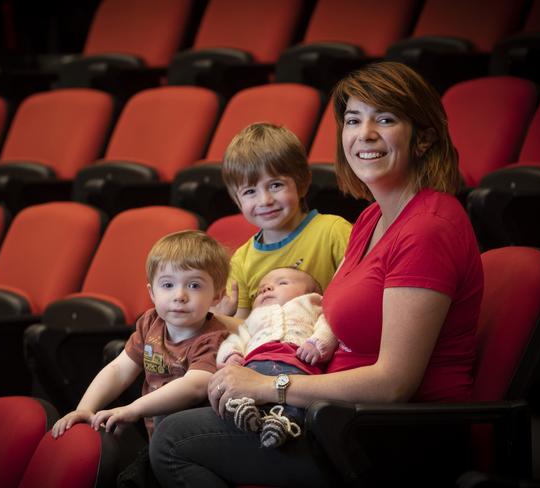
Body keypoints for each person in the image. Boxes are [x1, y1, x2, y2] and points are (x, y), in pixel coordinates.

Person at [149, 61, 484, 487]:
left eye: (385, 119)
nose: (364, 134)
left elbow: (394, 383)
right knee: (177, 419)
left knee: (172, 443)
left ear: (425, 137)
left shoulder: (428, 228)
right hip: (341, 418)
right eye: (353, 120)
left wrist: (269, 387)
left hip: (395, 436)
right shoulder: (370, 220)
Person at [51, 230, 230, 440]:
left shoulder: (215, 337)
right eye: (168, 285)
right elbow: (118, 370)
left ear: (217, 295)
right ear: (152, 293)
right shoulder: (150, 322)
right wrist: (85, 408)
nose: (179, 296)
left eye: (194, 285)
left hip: (192, 441)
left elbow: (195, 386)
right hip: (157, 435)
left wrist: (133, 409)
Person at [216, 122, 352, 319]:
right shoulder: (241, 260)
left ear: (303, 184)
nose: (265, 200)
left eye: (276, 185)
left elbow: (362, 295)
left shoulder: (334, 231)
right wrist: (220, 319)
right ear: (237, 201)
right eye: (250, 191)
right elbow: (243, 327)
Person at [217, 266, 337, 448]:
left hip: (297, 361)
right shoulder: (254, 318)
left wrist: (318, 344)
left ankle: (284, 422)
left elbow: (328, 326)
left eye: (282, 283)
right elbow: (237, 338)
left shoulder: (313, 306)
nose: (266, 289)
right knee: (240, 390)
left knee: (296, 399)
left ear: (312, 292)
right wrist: (231, 354)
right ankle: (245, 412)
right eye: (260, 290)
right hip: (254, 365)